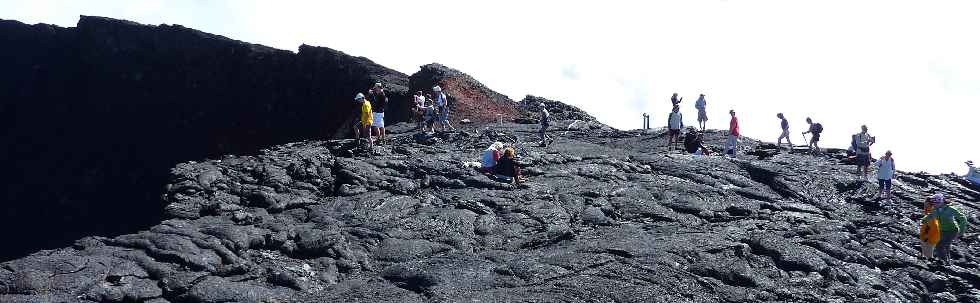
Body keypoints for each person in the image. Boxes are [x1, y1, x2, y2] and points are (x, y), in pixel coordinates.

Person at [921, 193, 968, 265]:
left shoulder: (950, 209)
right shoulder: (936, 210)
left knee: (939, 245)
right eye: (933, 204)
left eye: (935, 204)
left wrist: (961, 231)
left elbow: (963, 218)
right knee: (945, 246)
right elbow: (930, 216)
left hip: (952, 231)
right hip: (942, 230)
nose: (933, 205)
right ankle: (947, 261)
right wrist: (924, 220)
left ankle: (943, 261)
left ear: (940, 202)